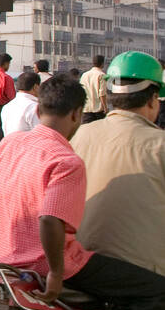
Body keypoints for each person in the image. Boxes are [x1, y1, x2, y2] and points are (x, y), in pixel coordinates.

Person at [0, 75, 165, 310]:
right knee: (155, 294)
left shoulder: (8, 145)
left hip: (0, 257)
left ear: (38, 110)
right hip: (50, 263)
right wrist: (55, 270)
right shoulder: (65, 160)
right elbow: (50, 219)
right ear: (78, 114)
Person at [70, 52, 165, 278]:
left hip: (77, 265)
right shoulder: (159, 144)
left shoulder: (76, 136)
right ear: (152, 100)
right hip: (144, 274)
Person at [0, 71, 42, 135]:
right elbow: (41, 134)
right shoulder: (34, 107)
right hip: (28, 144)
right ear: (35, 87)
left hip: (10, 143)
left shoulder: (7, 107)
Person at [80, 55, 108, 124]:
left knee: (87, 132)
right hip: (98, 111)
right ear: (102, 63)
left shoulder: (84, 75)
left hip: (86, 110)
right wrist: (105, 108)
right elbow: (102, 94)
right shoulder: (102, 75)